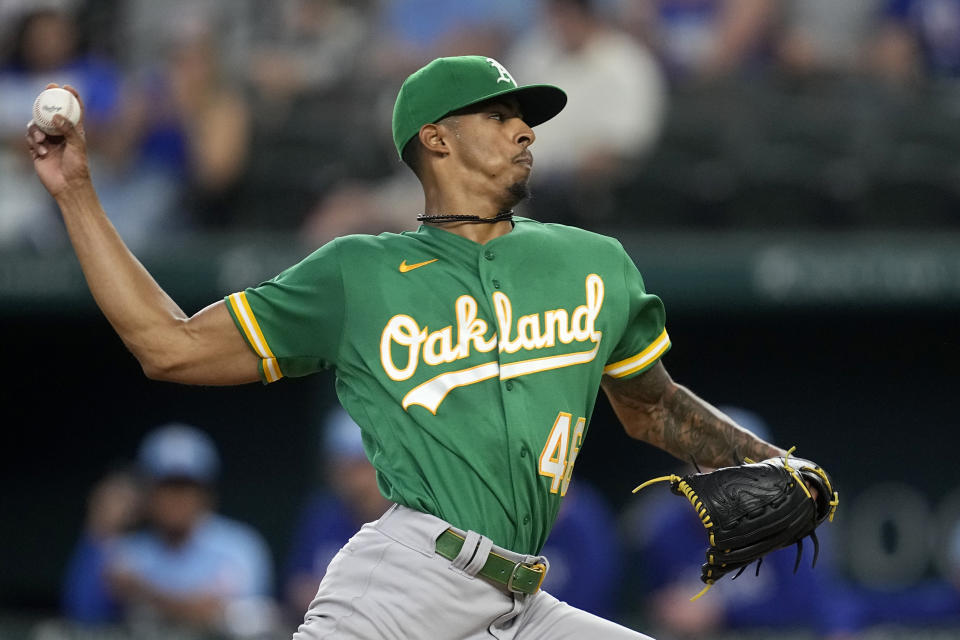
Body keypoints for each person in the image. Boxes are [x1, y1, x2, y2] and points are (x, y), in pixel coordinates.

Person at [29, 56, 811, 638]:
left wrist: (762, 459)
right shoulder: (357, 273)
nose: (524, 128)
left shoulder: (592, 262)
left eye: (525, 116)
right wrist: (77, 194)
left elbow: (651, 407)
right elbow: (167, 345)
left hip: (524, 603)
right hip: (409, 579)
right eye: (499, 114)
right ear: (435, 139)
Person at [61, 423, 276, 637]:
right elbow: (81, 615)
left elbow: (221, 618)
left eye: (185, 486)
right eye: (165, 487)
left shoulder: (239, 548)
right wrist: (100, 529)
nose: (176, 499)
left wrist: (141, 592)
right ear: (146, 494)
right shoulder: (128, 552)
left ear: (207, 493)